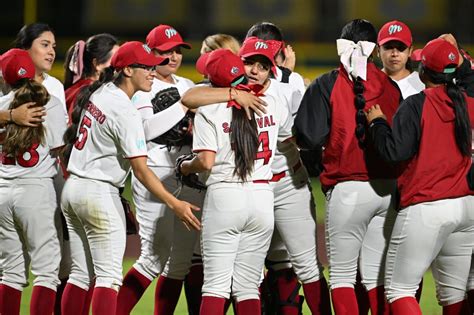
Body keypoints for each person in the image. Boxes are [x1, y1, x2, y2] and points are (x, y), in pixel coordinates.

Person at [59, 41, 200, 315]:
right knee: (109, 279)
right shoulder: (125, 111)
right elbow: (142, 170)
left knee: (79, 275)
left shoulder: (101, 93)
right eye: (145, 67)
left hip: (74, 189)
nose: (152, 72)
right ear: (126, 70)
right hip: (98, 194)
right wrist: (175, 203)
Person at [293, 19, 402, 315]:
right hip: (387, 190)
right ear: (375, 49)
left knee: (342, 277)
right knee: (377, 278)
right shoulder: (391, 87)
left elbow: (308, 136)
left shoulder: (327, 83)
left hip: (348, 190)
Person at [366, 37, 474, 315]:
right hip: (466, 207)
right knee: (454, 295)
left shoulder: (416, 104)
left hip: (427, 204)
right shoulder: (469, 103)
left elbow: (394, 152)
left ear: (423, 70)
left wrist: (377, 123)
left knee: (399, 290)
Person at [181, 47, 293, 315]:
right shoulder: (272, 103)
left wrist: (186, 167)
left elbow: (205, 162)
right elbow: (289, 139)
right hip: (262, 198)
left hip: (225, 196)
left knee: (216, 287)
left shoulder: (208, 110)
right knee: (247, 287)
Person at [116, 25, 204, 315]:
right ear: (151, 54)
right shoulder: (144, 87)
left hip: (185, 173)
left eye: (177, 50)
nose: (174, 57)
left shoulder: (187, 85)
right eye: (166, 52)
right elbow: (146, 130)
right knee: (152, 258)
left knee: (181, 261)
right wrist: (183, 107)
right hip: (153, 174)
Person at [0, 48, 67, 315]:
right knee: (47, 272)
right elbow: (58, 149)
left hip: (3, 191)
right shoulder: (50, 103)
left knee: (10, 274)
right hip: (36, 190)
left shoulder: (3, 104)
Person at [64, 33, 119, 117]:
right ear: (97, 64)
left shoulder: (74, 89)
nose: (121, 65)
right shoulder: (93, 94)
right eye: (116, 60)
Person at [377, 20, 425, 99]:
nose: (395, 54)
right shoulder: (369, 83)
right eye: (388, 47)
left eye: (401, 48)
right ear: (378, 50)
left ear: (410, 51)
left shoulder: (422, 83)